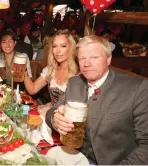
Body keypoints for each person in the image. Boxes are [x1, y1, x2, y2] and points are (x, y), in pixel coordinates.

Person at [47, 35, 148, 164]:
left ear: (108, 59)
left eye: (94, 57)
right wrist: (55, 118)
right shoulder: (75, 82)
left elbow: (146, 145)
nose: (87, 63)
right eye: (82, 58)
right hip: (74, 157)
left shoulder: (137, 88)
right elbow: (52, 111)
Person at [24, 29, 77, 116]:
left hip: (66, 119)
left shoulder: (77, 74)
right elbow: (32, 89)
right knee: (23, 113)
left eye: (63, 46)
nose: (58, 51)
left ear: (71, 47)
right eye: (55, 46)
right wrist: (24, 72)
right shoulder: (50, 70)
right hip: (51, 114)